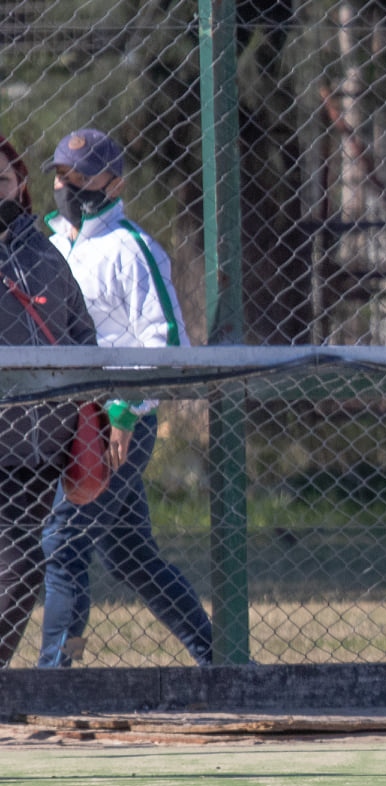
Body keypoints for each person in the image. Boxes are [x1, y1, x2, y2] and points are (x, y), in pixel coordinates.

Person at [36, 128, 214, 668]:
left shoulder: (132, 249)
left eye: (81, 176)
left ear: (114, 183)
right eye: (61, 175)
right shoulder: (45, 246)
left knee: (63, 544)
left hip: (114, 423)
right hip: (58, 418)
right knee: (131, 556)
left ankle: (56, 675)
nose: (67, 186)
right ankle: (217, 655)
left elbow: (166, 342)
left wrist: (126, 410)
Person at [0, 133, 100, 666]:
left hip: (37, 451)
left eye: (1, 180)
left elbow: (82, 334)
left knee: (21, 570)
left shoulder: (46, 255)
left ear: (19, 185)